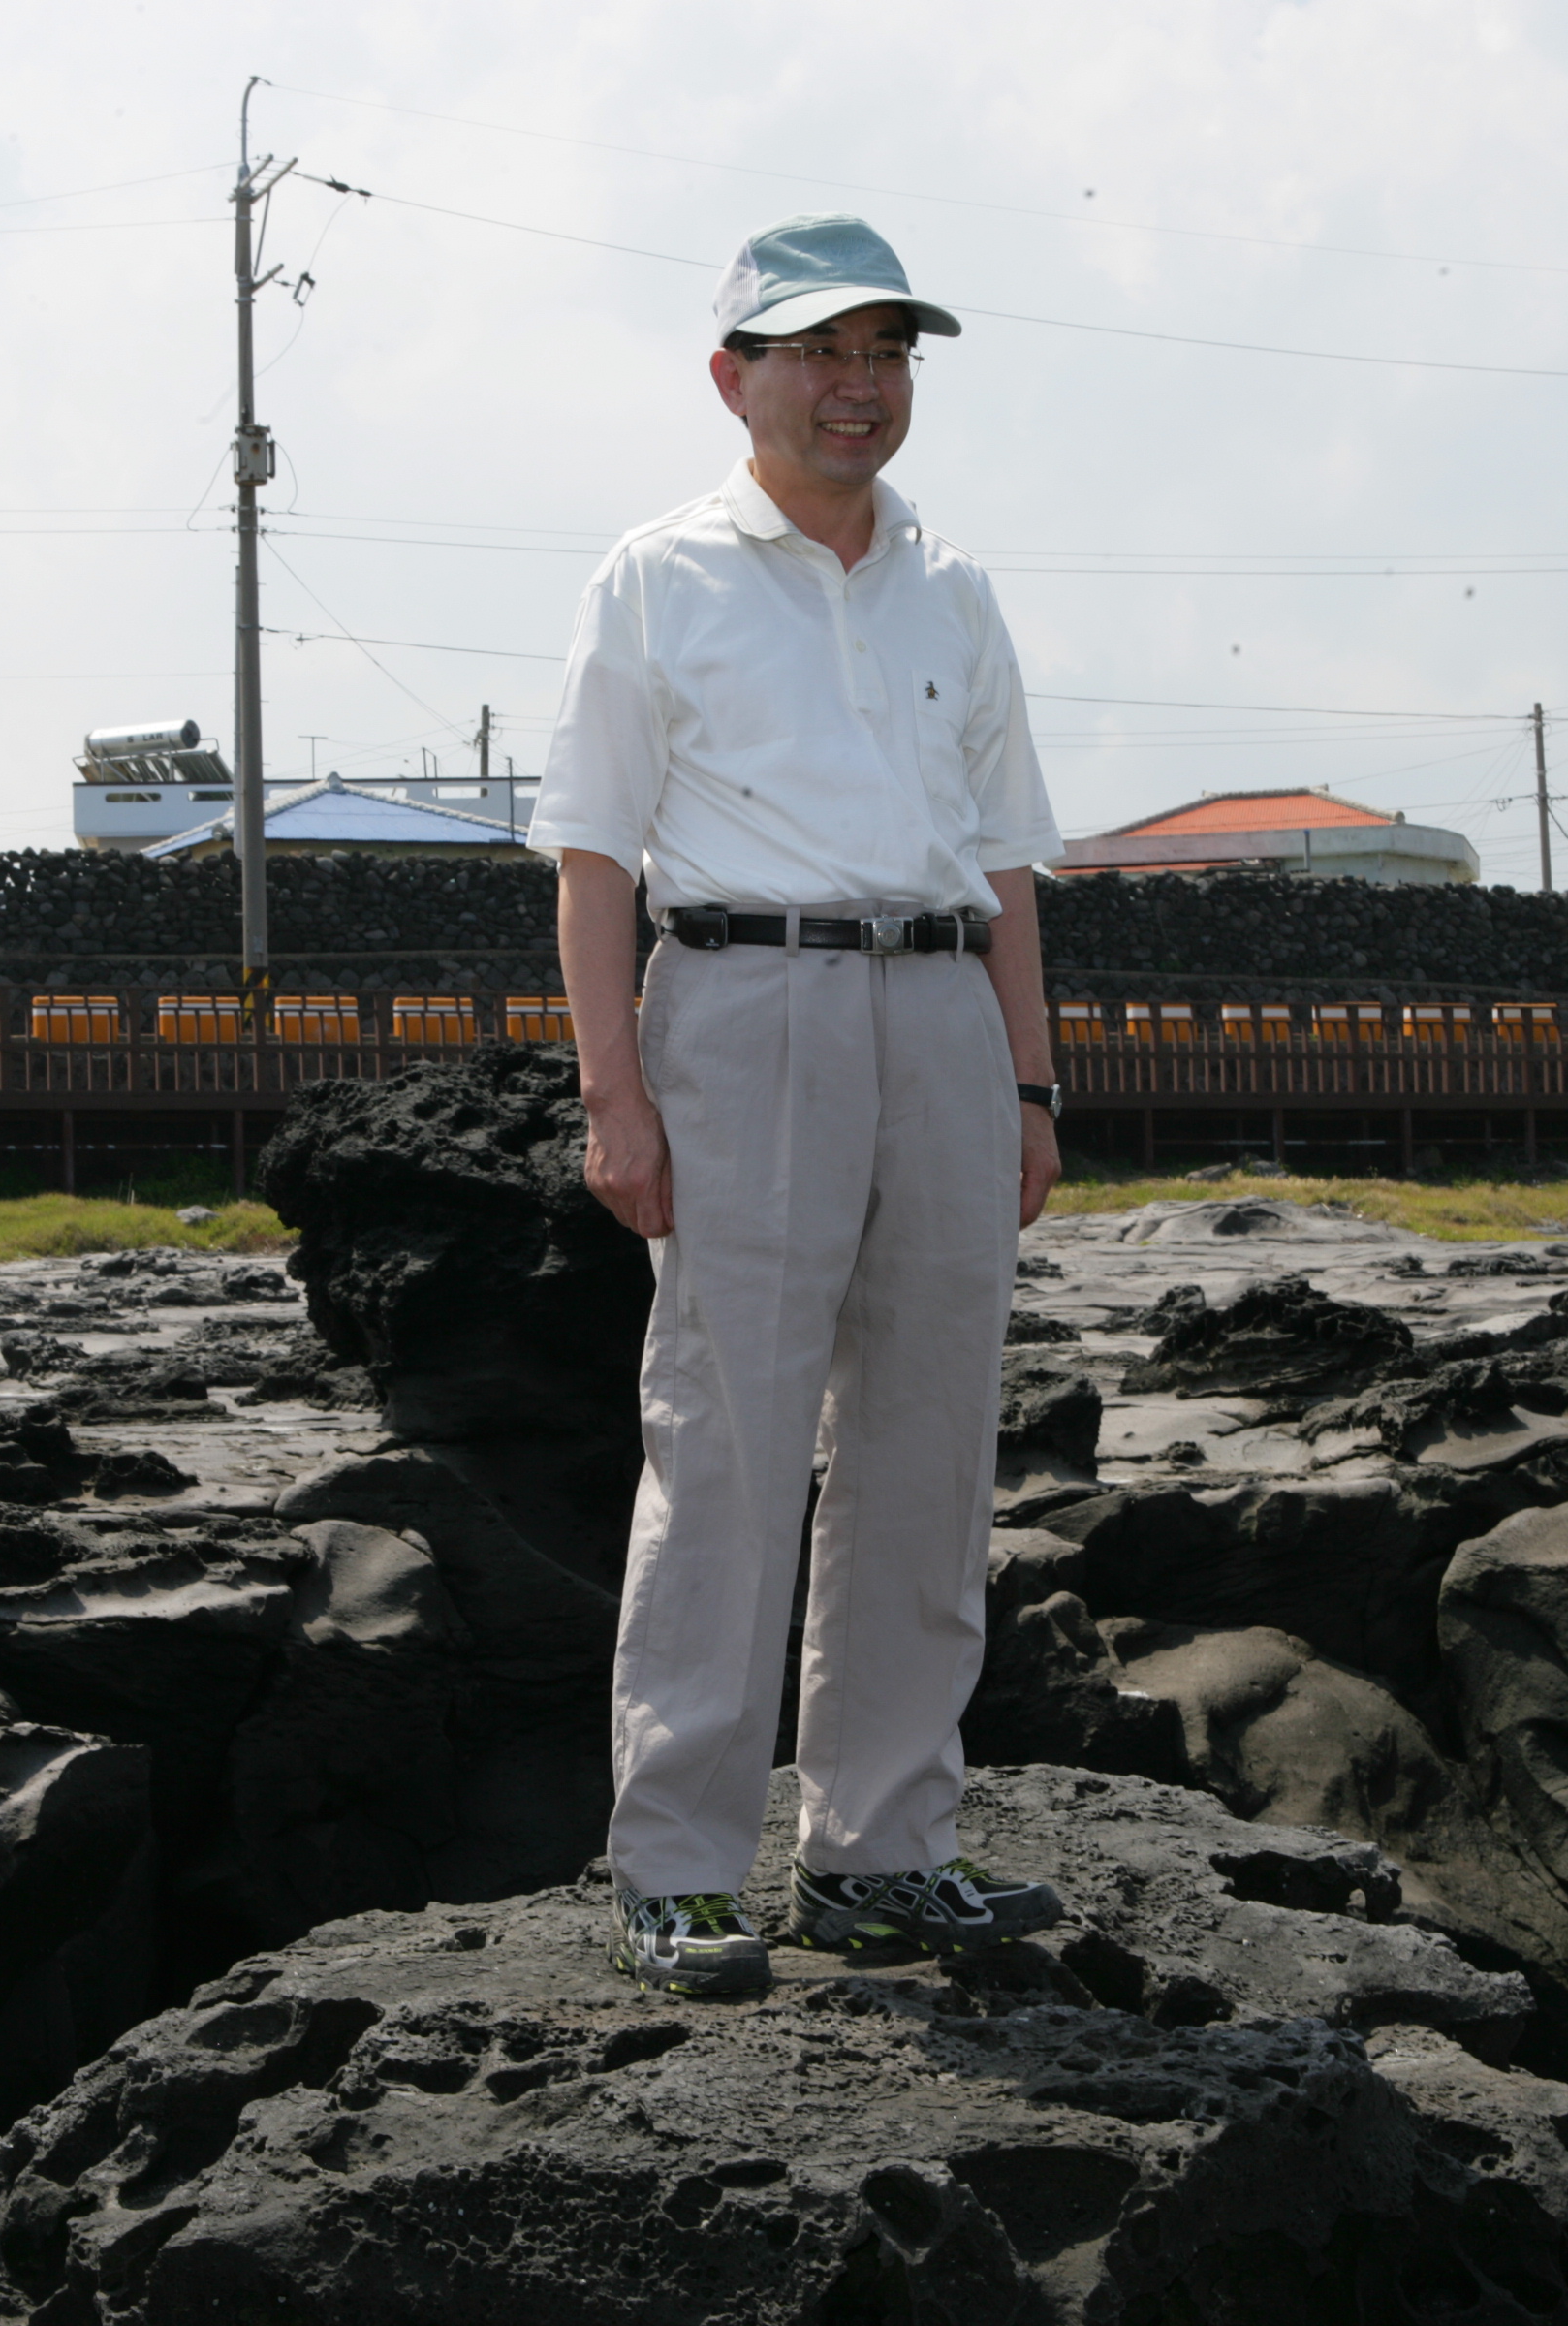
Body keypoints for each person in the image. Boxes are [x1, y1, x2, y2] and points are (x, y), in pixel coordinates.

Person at [530, 215, 1074, 1996]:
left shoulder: (956, 588)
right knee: (731, 1440)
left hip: (939, 1014)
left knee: (930, 1443)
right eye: (821, 353)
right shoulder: (659, 572)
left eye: (889, 354)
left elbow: (1005, 861)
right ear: (734, 377)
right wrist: (614, 1095)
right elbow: (595, 858)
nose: (860, 387)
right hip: (743, 1003)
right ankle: (681, 1860)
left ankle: (881, 1852)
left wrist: (1030, 1084)